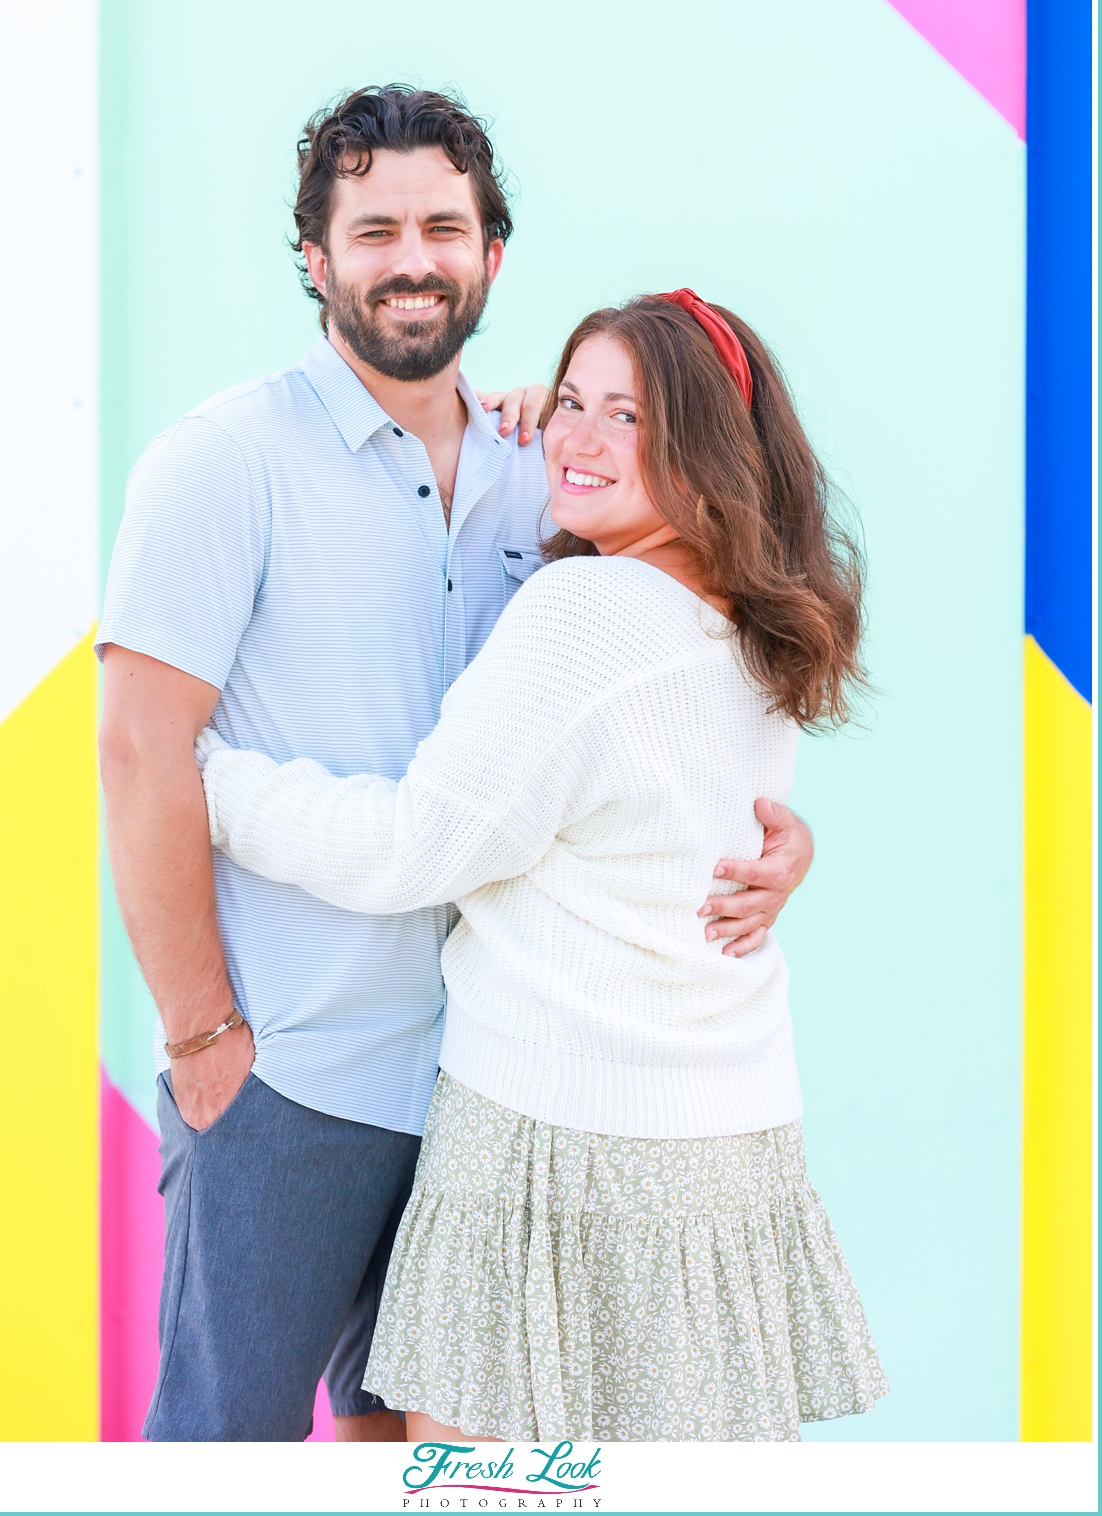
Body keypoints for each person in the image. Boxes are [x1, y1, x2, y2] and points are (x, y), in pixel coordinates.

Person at [97, 86, 815, 1444]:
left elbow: (662, 714)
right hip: (294, 1071)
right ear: (314, 256)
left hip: (484, 1095)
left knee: (416, 1454)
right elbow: (140, 751)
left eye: (445, 224)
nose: (411, 256)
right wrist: (204, 1040)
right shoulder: (222, 461)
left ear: (493, 253)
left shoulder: (543, 469)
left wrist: (783, 837)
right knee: (222, 1447)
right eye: (373, 229)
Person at [197, 291, 888, 1444]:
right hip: (728, 1148)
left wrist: (211, 781)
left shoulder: (586, 613)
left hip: (553, 1150)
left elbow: (415, 846)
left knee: (486, 1488)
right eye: (570, 402)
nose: (576, 437)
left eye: (630, 416)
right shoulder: (759, 632)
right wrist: (560, 425)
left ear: (707, 447)